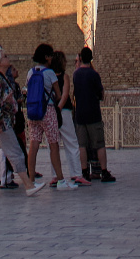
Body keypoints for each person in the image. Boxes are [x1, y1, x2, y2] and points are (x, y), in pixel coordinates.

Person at [0, 47, 44, 198]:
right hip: (2, 123)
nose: (7, 58)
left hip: (0, 123)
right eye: (5, 56)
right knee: (16, 153)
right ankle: (28, 185)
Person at [25, 43, 68, 190]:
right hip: (47, 111)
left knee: (33, 145)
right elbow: (58, 94)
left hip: (33, 112)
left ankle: (31, 180)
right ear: (47, 57)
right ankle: (61, 180)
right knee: (53, 144)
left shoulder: (31, 72)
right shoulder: (49, 73)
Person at [72, 46, 116, 182]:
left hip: (80, 114)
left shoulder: (76, 74)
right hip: (93, 114)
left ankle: (84, 172)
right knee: (99, 144)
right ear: (91, 59)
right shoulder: (93, 74)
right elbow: (100, 93)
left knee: (82, 145)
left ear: (80, 59)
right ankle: (103, 171)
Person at [53, 50, 84, 186]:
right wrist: (59, 110)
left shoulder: (47, 75)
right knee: (71, 143)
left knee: (53, 145)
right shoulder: (64, 76)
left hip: (50, 112)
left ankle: (55, 176)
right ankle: (76, 173)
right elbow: (65, 95)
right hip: (63, 111)